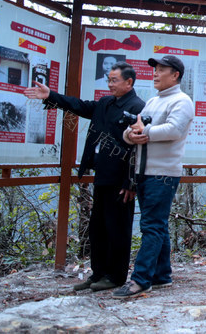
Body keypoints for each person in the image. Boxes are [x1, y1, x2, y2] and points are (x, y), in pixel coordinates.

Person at [24, 62, 143, 292]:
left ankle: (115, 276)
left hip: (121, 180)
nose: (110, 84)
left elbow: (138, 151)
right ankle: (98, 273)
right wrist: (51, 95)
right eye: (108, 79)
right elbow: (79, 106)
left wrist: (131, 182)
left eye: (114, 80)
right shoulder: (106, 103)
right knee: (98, 228)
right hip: (101, 176)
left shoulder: (138, 107)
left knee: (117, 228)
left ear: (129, 82)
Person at [115, 54, 194, 298]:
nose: (155, 73)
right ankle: (161, 276)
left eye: (161, 70)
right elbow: (131, 131)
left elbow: (174, 129)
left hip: (163, 174)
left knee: (151, 225)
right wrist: (132, 136)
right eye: (155, 69)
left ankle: (141, 280)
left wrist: (144, 132)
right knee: (157, 225)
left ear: (175, 75)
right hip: (144, 172)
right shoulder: (151, 101)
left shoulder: (182, 101)